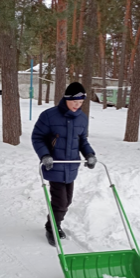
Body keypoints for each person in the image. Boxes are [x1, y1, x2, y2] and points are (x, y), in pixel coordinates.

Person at [32, 82, 97, 246]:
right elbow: (37, 137)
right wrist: (45, 154)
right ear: (66, 99)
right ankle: (52, 227)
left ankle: (54, 224)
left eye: (81, 102)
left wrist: (89, 154)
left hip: (71, 166)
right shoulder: (49, 116)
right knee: (60, 202)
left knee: (66, 202)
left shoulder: (82, 118)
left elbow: (82, 140)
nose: (78, 105)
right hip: (54, 165)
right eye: (75, 101)